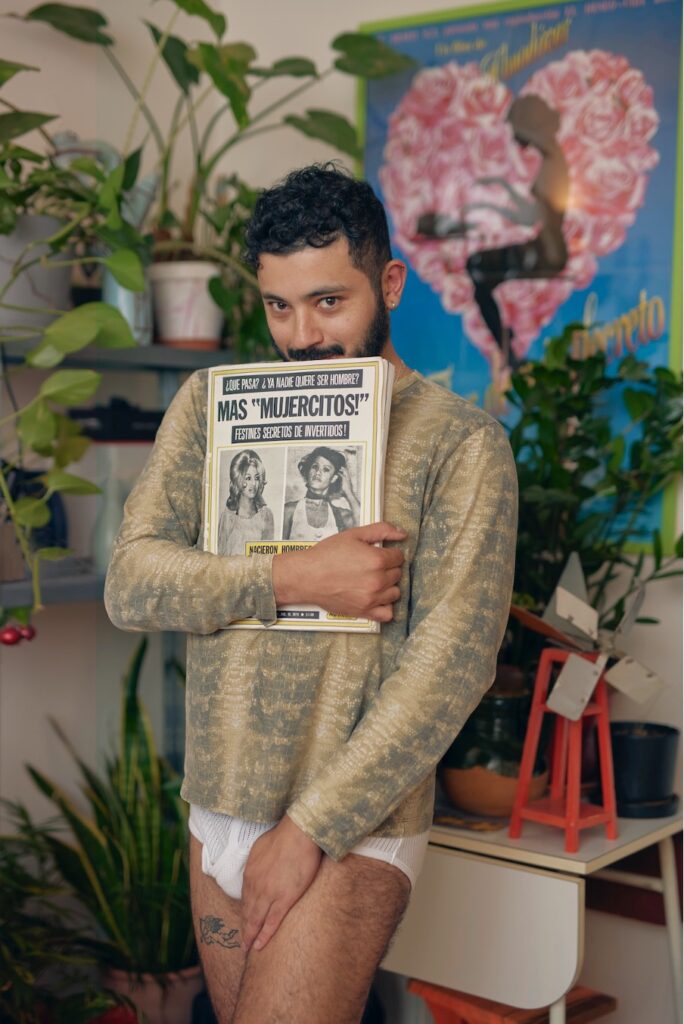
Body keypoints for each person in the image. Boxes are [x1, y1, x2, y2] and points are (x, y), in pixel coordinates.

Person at [104, 163, 518, 1024]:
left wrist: (309, 831)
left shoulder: (462, 443)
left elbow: (454, 663)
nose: (303, 335)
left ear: (390, 283)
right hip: (216, 802)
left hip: (352, 817)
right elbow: (131, 584)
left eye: (330, 302)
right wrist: (295, 575)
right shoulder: (212, 407)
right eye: (279, 306)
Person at [283, 446, 360, 541]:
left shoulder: (340, 515)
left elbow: (365, 526)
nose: (318, 472)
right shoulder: (289, 510)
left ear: (333, 478)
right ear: (308, 471)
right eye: (315, 467)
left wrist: (349, 492)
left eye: (326, 469)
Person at [217, 449, 274, 556]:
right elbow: (220, 557)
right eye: (248, 478)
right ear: (238, 479)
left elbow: (268, 559)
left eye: (257, 478)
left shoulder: (266, 516)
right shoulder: (227, 516)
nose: (253, 483)